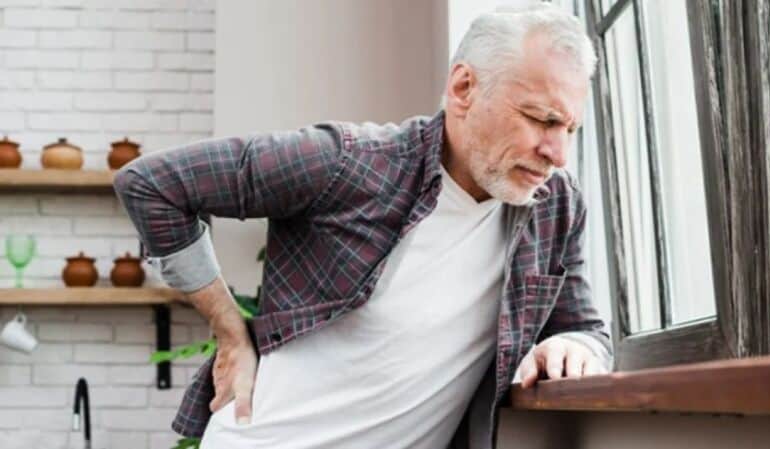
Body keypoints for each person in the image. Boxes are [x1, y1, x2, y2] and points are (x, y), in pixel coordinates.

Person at [113, 3, 612, 448]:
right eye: (541, 119)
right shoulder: (349, 161)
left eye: (569, 128)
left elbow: (584, 328)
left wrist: (573, 345)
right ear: (464, 88)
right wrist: (230, 331)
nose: (558, 153)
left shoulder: (554, 205)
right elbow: (152, 184)